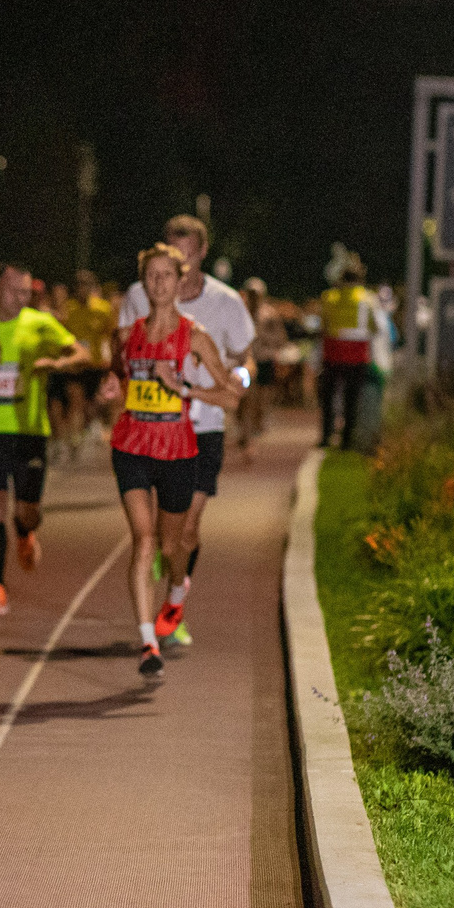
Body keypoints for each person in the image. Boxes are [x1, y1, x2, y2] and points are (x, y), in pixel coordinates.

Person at [100, 245, 240, 678]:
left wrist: (185, 389)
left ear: (180, 282)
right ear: (144, 283)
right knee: (143, 541)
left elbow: (232, 396)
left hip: (178, 449)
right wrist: (112, 387)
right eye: (152, 276)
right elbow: (118, 377)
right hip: (131, 445)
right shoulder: (126, 336)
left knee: (172, 547)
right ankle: (147, 643)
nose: (159, 283)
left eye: (167, 275)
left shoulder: (194, 336)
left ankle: (177, 592)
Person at [115, 215, 253, 634]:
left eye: (189, 251)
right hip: (147, 430)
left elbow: (246, 360)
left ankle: (175, 600)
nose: (182, 261)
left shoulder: (226, 302)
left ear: (202, 252)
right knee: (154, 536)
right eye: (175, 251)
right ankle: (158, 597)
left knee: (186, 528)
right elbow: (123, 353)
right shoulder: (139, 297)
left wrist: (238, 381)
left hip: (202, 426)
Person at [0, 263, 87, 614]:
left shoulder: (40, 323)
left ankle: (25, 532)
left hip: (30, 431)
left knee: (28, 512)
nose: (20, 297)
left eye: (25, 291)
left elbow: (81, 353)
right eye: (13, 290)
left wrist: (56, 365)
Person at [316, 255, 377, 450]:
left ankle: (326, 436)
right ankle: (347, 441)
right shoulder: (368, 299)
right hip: (358, 356)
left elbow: (323, 327)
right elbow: (374, 328)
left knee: (328, 399)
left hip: (333, 354)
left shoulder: (329, 298)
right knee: (352, 400)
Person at [58, 269, 116, 455]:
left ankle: (87, 428)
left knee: (92, 405)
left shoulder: (103, 309)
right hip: (76, 366)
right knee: (75, 399)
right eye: (79, 286)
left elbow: (111, 334)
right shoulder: (69, 309)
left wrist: (111, 360)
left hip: (96, 364)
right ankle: (73, 439)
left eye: (86, 286)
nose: (82, 290)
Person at [234, 278, 283, 455]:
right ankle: (245, 432)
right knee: (244, 399)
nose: (253, 297)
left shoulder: (269, 314)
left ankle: (252, 430)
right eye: (251, 293)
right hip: (244, 362)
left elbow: (280, 339)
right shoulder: (240, 312)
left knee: (260, 399)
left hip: (263, 360)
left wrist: (263, 336)